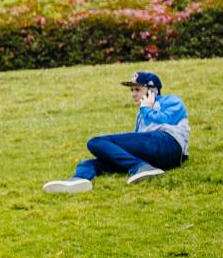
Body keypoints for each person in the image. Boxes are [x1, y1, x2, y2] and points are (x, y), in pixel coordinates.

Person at [44, 71, 190, 193]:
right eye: (132, 90)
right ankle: (79, 179)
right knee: (89, 162)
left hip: (169, 145)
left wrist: (146, 108)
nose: (133, 94)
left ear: (153, 90)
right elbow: (139, 139)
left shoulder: (172, 101)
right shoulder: (142, 113)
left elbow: (165, 119)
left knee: (96, 142)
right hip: (153, 156)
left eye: (137, 89)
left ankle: (138, 166)